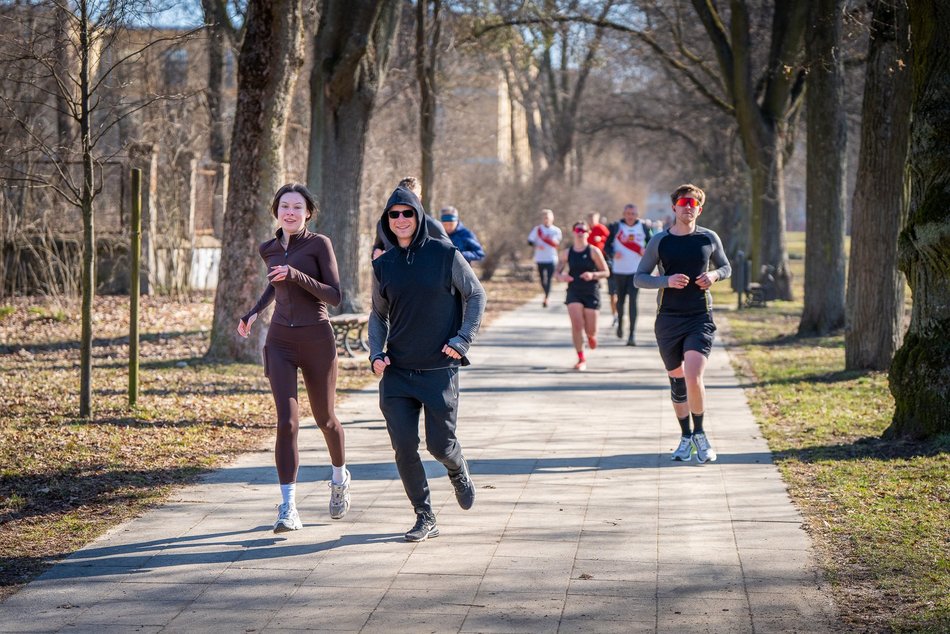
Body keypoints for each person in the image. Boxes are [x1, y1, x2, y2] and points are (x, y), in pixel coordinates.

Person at [369, 185, 487, 542]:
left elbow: (476, 294)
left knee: (439, 445)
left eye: (407, 213)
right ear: (386, 221)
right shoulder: (383, 264)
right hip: (398, 372)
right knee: (404, 447)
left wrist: (463, 338)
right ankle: (425, 515)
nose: (401, 219)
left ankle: (458, 468)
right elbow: (378, 314)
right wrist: (376, 352)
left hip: (439, 369)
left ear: (419, 216)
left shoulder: (445, 254)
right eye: (394, 214)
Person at [237, 183, 350, 532]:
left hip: (317, 338)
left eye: (297, 207)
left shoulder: (319, 245)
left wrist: (297, 275)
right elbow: (275, 284)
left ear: (307, 213)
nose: (290, 212)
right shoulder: (268, 248)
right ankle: (288, 508)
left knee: (326, 418)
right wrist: (253, 312)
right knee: (287, 422)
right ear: (276, 211)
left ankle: (339, 478)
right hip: (281, 339)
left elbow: (335, 296)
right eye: (284, 206)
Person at [634, 184, 731, 464]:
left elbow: (726, 267)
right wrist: (666, 280)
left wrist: (714, 276)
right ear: (674, 207)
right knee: (677, 381)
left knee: (693, 374)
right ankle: (685, 436)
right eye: (683, 202)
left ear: (699, 209)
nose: (688, 207)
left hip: (700, 316)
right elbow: (640, 277)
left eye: (694, 203)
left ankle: (701, 434)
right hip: (668, 319)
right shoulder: (660, 241)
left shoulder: (708, 238)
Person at [557, 221, 610, 371]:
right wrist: (562, 277)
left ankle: (591, 336)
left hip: (591, 291)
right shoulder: (567, 253)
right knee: (577, 325)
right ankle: (581, 358)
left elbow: (606, 272)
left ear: (588, 233)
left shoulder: (593, 251)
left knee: (590, 330)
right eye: (578, 230)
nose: (580, 232)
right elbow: (557, 272)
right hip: (574, 291)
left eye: (584, 230)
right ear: (574, 232)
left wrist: (592, 274)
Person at [605, 203, 652, 346]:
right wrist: (613, 253)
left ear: (637, 215)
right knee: (620, 301)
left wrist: (646, 251)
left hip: (636, 272)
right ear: (624, 214)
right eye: (628, 214)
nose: (630, 217)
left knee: (633, 302)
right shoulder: (615, 227)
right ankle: (620, 324)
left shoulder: (643, 227)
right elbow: (606, 246)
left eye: (633, 214)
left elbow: (652, 245)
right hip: (619, 270)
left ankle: (632, 334)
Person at [372, 176, 449, 260]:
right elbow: (378, 247)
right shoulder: (383, 224)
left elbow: (449, 255)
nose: (408, 202)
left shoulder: (432, 225)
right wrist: (377, 254)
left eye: (413, 198)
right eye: (404, 198)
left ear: (419, 199)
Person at [527, 209, 562, 307]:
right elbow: (530, 241)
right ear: (542, 219)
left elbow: (557, 243)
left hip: (551, 258)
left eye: (548, 217)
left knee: (549, 279)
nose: (546, 219)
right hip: (540, 258)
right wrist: (536, 246)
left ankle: (546, 297)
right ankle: (546, 294)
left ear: (552, 218)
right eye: (545, 217)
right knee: (543, 279)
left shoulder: (556, 230)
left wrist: (549, 240)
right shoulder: (537, 229)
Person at [586, 211, 615, 326]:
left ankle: (602, 281)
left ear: (597, 219)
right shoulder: (585, 230)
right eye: (590, 219)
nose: (592, 221)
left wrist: (601, 239)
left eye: (594, 219)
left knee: (606, 275)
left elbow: (610, 240)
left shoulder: (601, 228)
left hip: (603, 257)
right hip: (590, 258)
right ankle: (597, 284)